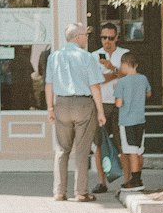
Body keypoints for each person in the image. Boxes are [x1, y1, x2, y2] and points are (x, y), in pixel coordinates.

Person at [45, 22, 106, 202]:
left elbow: (49, 85)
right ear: (78, 37)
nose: (87, 38)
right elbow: (95, 87)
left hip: (62, 104)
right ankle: (80, 192)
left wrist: (50, 107)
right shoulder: (87, 57)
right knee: (81, 150)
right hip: (83, 104)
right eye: (85, 35)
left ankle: (59, 191)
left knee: (62, 150)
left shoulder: (54, 57)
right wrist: (101, 111)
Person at [92, 21, 128, 192]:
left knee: (123, 144)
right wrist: (116, 74)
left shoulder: (125, 54)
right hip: (101, 104)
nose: (107, 41)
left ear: (117, 38)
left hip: (121, 103)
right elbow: (95, 81)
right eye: (103, 38)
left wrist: (111, 69)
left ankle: (127, 180)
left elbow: (129, 77)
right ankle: (101, 182)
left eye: (110, 38)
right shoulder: (93, 56)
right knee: (99, 144)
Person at [113, 52, 152, 189]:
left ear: (124, 64)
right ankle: (139, 177)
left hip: (126, 121)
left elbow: (118, 103)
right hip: (140, 119)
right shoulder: (143, 79)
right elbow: (148, 93)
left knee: (131, 151)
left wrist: (116, 94)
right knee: (139, 150)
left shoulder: (121, 82)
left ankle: (135, 180)